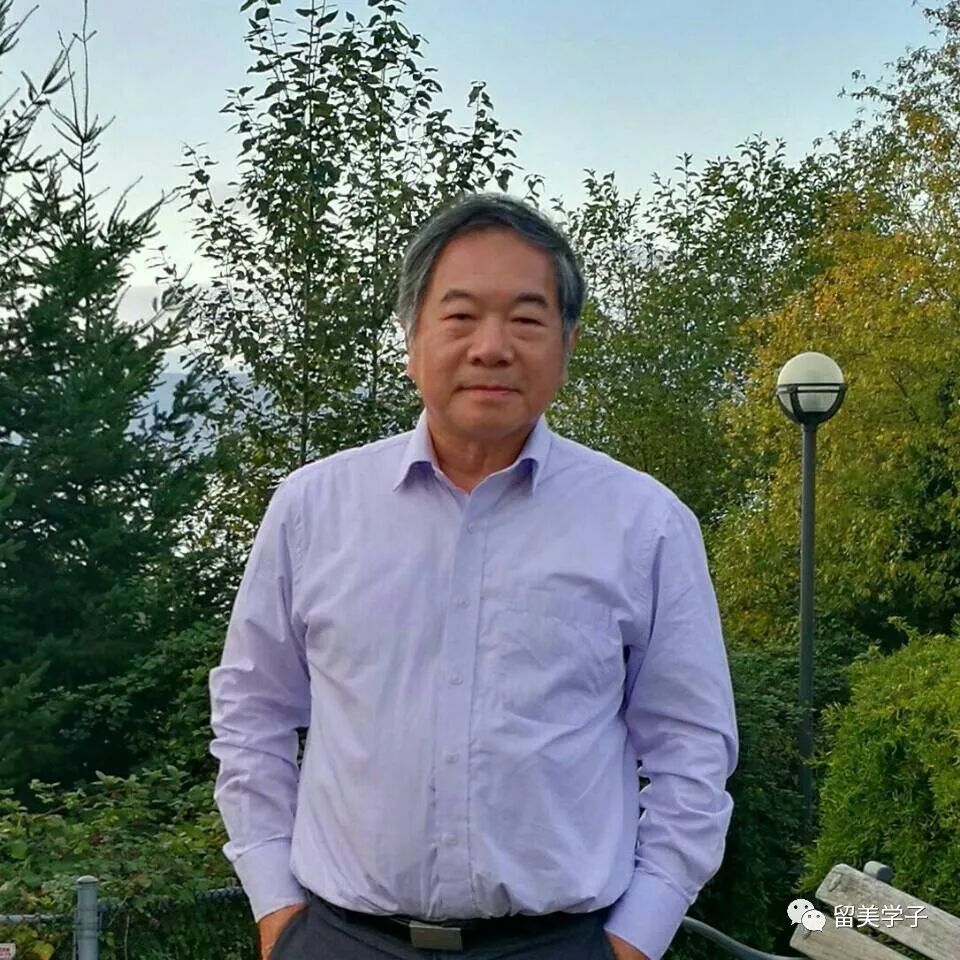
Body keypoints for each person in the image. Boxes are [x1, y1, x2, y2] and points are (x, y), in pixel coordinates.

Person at [208, 192, 739, 960]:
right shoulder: (312, 508)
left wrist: (636, 937)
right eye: (460, 316)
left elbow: (692, 747)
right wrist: (276, 909)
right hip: (338, 938)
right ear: (411, 339)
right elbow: (251, 710)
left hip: (560, 946)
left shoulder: (643, 523)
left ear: (567, 343)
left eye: (526, 319)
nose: (492, 348)